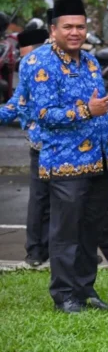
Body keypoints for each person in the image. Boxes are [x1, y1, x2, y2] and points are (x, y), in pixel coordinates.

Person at [28, 0, 108, 313]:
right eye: (68, 27)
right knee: (65, 233)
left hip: (98, 160)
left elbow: (98, 106)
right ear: (54, 29)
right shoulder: (39, 62)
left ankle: (84, 289)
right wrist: (86, 111)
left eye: (80, 26)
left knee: (89, 229)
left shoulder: (90, 62)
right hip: (65, 162)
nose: (75, 32)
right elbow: (42, 113)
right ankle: (63, 294)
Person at [0, 28, 50, 267]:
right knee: (41, 200)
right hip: (41, 147)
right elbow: (16, 104)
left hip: (68, 148)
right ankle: (36, 250)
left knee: (62, 202)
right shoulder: (30, 68)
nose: (22, 56)